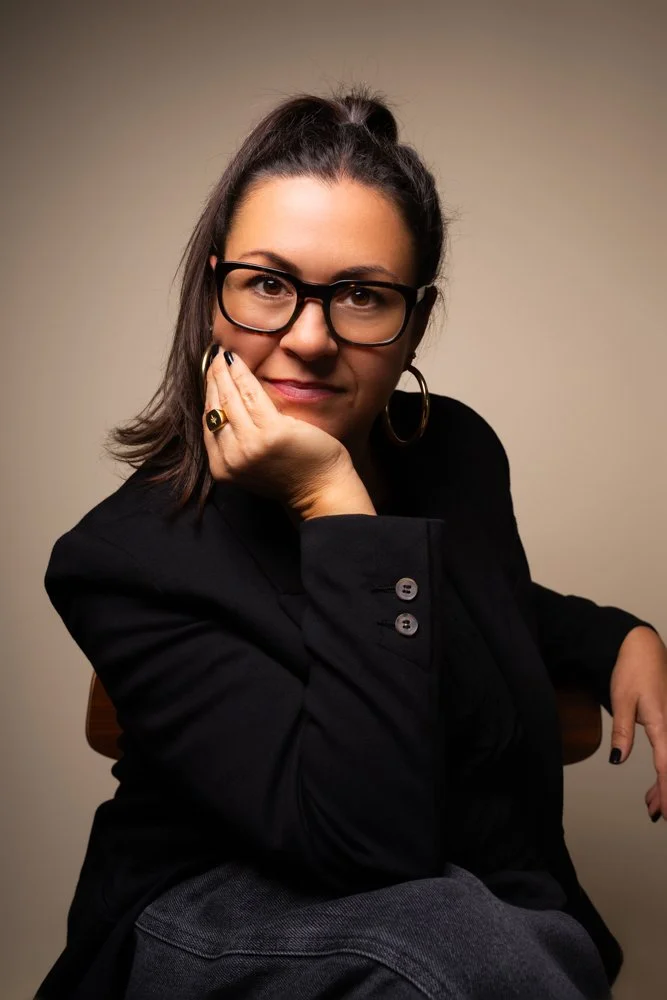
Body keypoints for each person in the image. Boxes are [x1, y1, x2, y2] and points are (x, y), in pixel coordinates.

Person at [35, 87, 666, 1000]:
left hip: (463, 913)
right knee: (472, 955)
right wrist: (330, 501)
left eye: (363, 296)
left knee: (501, 944)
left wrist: (614, 635)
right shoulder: (125, 559)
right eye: (267, 285)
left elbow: (473, 605)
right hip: (215, 912)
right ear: (215, 295)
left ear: (413, 317)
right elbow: (365, 845)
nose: (308, 337)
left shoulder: (453, 449)